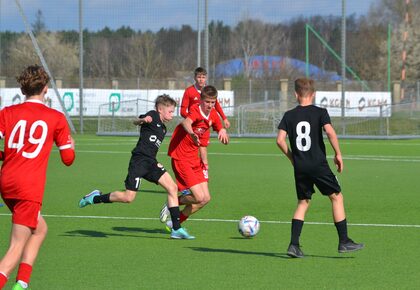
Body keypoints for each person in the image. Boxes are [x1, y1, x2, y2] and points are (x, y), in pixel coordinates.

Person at [0, 64, 75, 289]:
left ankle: (22, 283)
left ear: (23, 89)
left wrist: (8, 154)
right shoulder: (56, 117)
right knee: (16, 246)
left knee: (40, 229)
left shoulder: (7, 113)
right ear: (45, 89)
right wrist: (72, 146)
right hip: (28, 187)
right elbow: (68, 159)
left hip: (7, 182)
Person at [78, 94, 194, 240]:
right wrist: (142, 120)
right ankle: (95, 198)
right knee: (128, 197)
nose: (172, 114)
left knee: (172, 187)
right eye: (170, 111)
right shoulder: (152, 115)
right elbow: (135, 121)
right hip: (139, 161)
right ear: (160, 109)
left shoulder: (163, 128)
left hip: (151, 162)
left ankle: (176, 229)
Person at [276, 78, 364, 258]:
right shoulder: (320, 112)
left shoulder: (289, 115)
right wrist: (338, 153)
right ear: (313, 94)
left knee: (303, 202)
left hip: (300, 167)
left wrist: (292, 157)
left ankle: (294, 245)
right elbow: (330, 132)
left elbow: (279, 140)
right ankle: (344, 241)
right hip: (318, 164)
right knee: (337, 197)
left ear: (295, 94)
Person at [161, 85, 229, 231]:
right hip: (181, 158)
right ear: (201, 100)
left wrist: (222, 129)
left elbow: (218, 127)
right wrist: (191, 133)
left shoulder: (213, 115)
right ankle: (171, 203)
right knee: (198, 196)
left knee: (205, 199)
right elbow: (186, 122)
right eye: (207, 102)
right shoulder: (195, 110)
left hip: (194, 159)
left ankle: (174, 222)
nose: (210, 105)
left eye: (212, 102)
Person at [180, 67, 230, 186]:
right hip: (192, 126)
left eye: (203, 77)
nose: (201, 80)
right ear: (195, 78)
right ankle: (187, 179)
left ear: (206, 78)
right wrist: (192, 120)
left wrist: (224, 119)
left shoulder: (209, 92)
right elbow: (183, 110)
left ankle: (204, 171)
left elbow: (216, 107)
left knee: (203, 147)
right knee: (189, 153)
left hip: (204, 127)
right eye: (199, 77)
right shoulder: (189, 91)